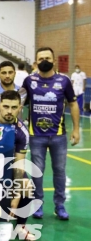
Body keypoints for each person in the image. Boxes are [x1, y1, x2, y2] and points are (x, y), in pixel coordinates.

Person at [22, 47, 80, 220]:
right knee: (37, 171)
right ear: (36, 62)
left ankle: (59, 206)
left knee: (60, 171)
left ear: (54, 61)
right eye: (41, 59)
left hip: (59, 135)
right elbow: (20, 104)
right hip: (36, 135)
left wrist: (76, 129)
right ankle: (37, 204)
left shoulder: (64, 81)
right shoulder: (29, 80)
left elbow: (73, 104)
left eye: (47, 58)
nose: (44, 61)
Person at [0, 90, 37, 241]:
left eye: (14, 107)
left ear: (20, 108)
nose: (9, 111)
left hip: (8, 168)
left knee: (27, 185)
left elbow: (19, 164)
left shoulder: (22, 131)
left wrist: (16, 195)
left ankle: (21, 228)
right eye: (6, 106)